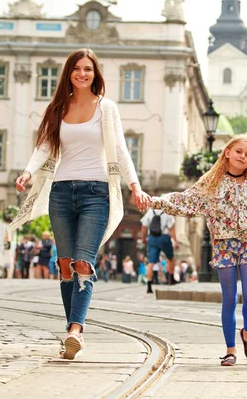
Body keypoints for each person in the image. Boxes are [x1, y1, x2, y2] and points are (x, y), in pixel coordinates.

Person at [8, 48, 151, 360]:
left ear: (95, 73)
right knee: (64, 265)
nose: (82, 74)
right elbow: (45, 145)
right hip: (61, 192)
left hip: (96, 193)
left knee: (83, 263)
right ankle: (72, 329)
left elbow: (121, 150)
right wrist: (28, 172)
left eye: (88, 69)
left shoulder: (106, 108)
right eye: (76, 69)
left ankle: (75, 330)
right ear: (68, 74)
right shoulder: (58, 107)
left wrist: (135, 187)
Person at [150, 133, 247, 366]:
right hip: (223, 245)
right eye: (239, 152)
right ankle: (230, 350)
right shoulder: (211, 183)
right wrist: (156, 201)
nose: (242, 157)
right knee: (230, 298)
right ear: (227, 152)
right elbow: (185, 200)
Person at [140, 208, 179, 293]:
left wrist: (143, 239)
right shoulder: (168, 212)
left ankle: (149, 286)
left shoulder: (150, 211)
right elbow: (171, 229)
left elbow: (143, 227)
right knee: (170, 258)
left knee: (151, 263)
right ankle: (171, 279)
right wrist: (175, 241)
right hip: (164, 238)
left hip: (152, 238)